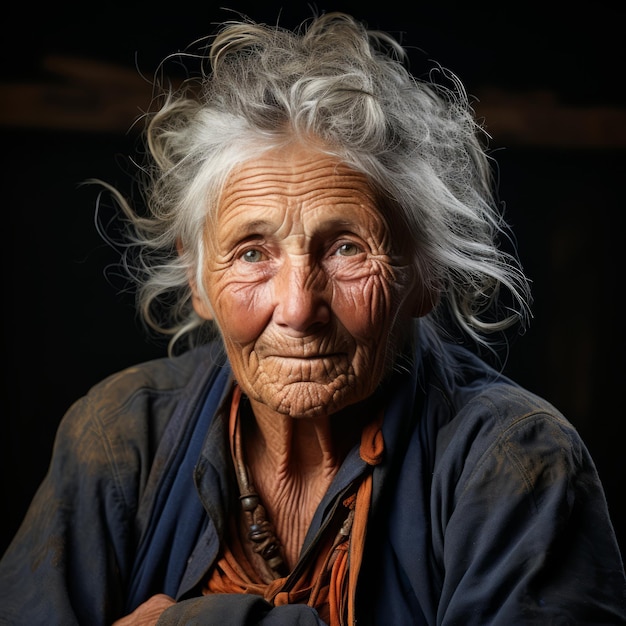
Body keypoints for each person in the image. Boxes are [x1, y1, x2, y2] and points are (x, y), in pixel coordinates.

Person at [1, 11, 624, 626]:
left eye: (347, 247)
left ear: (425, 276)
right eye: (252, 252)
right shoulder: (121, 437)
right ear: (197, 280)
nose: (298, 308)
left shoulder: (514, 459)